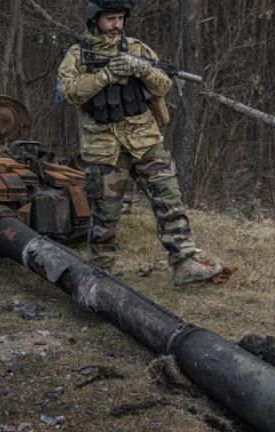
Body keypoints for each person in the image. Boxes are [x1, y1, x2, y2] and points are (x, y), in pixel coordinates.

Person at [56, 0, 222, 285]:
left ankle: (184, 263)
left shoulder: (137, 49)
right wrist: (104, 76)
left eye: (120, 18)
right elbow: (67, 93)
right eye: (110, 19)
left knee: (169, 198)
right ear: (95, 19)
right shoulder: (78, 55)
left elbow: (164, 84)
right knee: (105, 214)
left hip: (145, 140)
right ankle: (99, 273)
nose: (116, 25)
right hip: (104, 147)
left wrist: (140, 69)